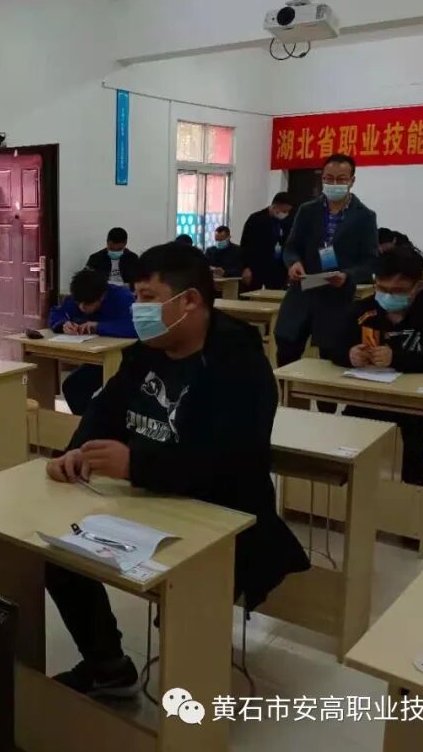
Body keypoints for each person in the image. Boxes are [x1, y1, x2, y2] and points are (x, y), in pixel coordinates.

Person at [43, 243, 310, 697]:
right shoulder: (149, 351)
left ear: (189, 301)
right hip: (145, 497)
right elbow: (106, 407)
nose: (138, 308)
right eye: (135, 296)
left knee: (187, 600)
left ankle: (192, 717)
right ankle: (109, 666)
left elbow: (234, 462)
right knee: (60, 558)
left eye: (148, 297)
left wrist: (136, 464)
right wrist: (75, 452)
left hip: (220, 513)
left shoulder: (240, 366)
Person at [327, 246, 423, 485]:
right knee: (346, 433)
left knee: (420, 440)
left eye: (398, 291)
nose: (388, 295)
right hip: (370, 395)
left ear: (416, 286)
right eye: (382, 288)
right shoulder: (364, 310)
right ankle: (352, 489)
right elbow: (332, 345)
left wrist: (396, 358)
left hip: (419, 401)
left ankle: (414, 494)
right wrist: (349, 355)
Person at [275, 153, 379, 371]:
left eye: (341, 179)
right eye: (329, 178)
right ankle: (286, 393)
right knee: (286, 348)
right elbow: (291, 247)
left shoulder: (364, 216)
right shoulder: (307, 210)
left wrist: (347, 275)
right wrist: (293, 263)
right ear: (322, 178)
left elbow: (370, 261)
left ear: (352, 180)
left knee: (331, 358)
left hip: (336, 297)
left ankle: (323, 395)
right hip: (303, 290)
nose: (334, 183)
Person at [48, 268, 135, 415]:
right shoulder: (79, 297)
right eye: (79, 303)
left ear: (102, 296)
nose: (82, 307)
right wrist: (62, 324)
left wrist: (99, 326)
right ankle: (88, 423)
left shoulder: (123, 298)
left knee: (114, 394)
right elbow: (57, 313)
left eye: (87, 304)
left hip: (127, 359)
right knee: (73, 387)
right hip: (99, 358)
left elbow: (134, 327)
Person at [239, 192, 295, 290]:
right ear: (274, 206)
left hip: (278, 269)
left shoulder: (287, 222)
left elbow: (289, 245)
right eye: (284, 211)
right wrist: (245, 267)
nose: (286, 214)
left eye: (288, 211)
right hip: (256, 267)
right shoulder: (255, 219)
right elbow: (245, 245)